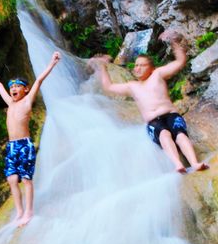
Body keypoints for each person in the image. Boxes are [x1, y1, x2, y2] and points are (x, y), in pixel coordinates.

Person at [89, 31, 209, 173]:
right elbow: (108, 87)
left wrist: (174, 42)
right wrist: (103, 67)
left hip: (170, 114)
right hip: (153, 122)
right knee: (164, 134)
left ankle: (194, 163)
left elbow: (180, 62)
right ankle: (177, 164)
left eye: (142, 65)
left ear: (151, 68)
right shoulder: (132, 86)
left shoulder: (157, 75)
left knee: (180, 134)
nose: (137, 68)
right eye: (136, 65)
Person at [0, 52, 61, 226]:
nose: (13, 89)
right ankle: (19, 211)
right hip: (11, 147)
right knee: (12, 179)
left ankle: (29, 211)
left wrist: (52, 63)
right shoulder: (10, 104)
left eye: (17, 86)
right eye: (12, 87)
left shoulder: (27, 103)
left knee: (26, 179)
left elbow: (39, 80)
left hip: (24, 145)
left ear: (25, 89)